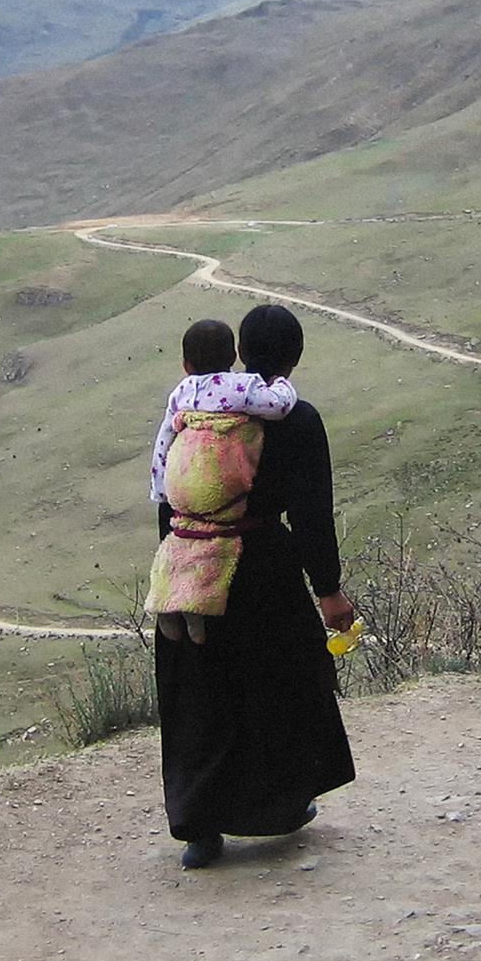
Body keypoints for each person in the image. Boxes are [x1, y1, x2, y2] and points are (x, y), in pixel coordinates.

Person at [152, 303, 357, 870]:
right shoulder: (295, 419)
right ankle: (280, 803)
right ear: (295, 358)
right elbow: (312, 513)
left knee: (199, 695)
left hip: (190, 566)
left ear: (241, 353)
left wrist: (178, 565)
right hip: (263, 568)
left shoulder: (192, 412)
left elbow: (171, 492)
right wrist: (328, 589)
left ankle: (199, 826)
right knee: (280, 684)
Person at [146, 319, 297, 644]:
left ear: (186, 364)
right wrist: (282, 385)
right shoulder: (243, 387)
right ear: (233, 356)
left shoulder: (182, 392)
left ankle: (167, 603)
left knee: (181, 541)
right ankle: (197, 608)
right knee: (214, 548)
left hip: (183, 487)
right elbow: (277, 407)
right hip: (219, 485)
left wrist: (161, 490)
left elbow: (165, 439)